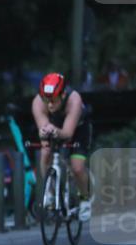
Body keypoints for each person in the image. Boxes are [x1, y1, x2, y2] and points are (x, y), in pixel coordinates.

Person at [31, 72, 92, 221]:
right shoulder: (38, 102)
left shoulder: (74, 100)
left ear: (63, 95)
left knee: (77, 167)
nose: (49, 105)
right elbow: (43, 131)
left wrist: (55, 131)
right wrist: (44, 134)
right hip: (54, 125)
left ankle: (85, 199)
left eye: (53, 100)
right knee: (45, 153)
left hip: (78, 130)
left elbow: (67, 134)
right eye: (46, 100)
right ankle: (50, 192)